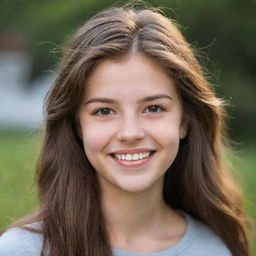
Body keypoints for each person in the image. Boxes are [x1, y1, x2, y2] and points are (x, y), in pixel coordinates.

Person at [0, 4, 252, 256]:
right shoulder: (23, 250)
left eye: (153, 108)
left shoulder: (216, 248)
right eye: (104, 111)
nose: (130, 133)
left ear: (184, 121)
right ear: (77, 126)